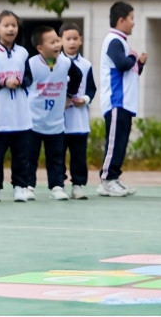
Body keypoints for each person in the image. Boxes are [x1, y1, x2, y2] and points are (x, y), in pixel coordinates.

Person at [0, 10, 33, 202]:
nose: (11, 29)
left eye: (14, 25)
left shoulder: (23, 53)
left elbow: (29, 78)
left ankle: (20, 187)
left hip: (20, 116)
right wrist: (3, 82)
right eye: (6, 25)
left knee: (21, 156)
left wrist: (20, 81)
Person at [26, 26, 83, 201]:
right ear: (40, 48)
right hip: (33, 121)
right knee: (30, 157)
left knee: (56, 157)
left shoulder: (65, 63)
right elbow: (23, 84)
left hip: (56, 122)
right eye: (52, 42)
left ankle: (57, 186)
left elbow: (77, 76)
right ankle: (28, 186)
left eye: (58, 40)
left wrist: (69, 96)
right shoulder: (31, 64)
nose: (57, 45)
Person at [99, 1, 147, 197]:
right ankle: (106, 180)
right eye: (131, 18)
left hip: (125, 103)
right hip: (116, 101)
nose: (133, 23)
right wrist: (134, 58)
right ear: (121, 20)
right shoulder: (114, 40)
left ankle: (114, 178)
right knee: (114, 142)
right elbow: (121, 64)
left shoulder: (122, 42)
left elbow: (130, 71)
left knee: (120, 143)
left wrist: (139, 63)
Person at [60, 22, 97, 199]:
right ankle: (58, 185)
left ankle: (78, 185)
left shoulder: (86, 64)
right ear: (60, 40)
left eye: (75, 38)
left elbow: (91, 89)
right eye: (68, 39)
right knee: (58, 155)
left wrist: (85, 100)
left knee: (79, 156)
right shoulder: (55, 63)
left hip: (79, 120)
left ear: (81, 40)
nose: (72, 42)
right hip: (59, 120)